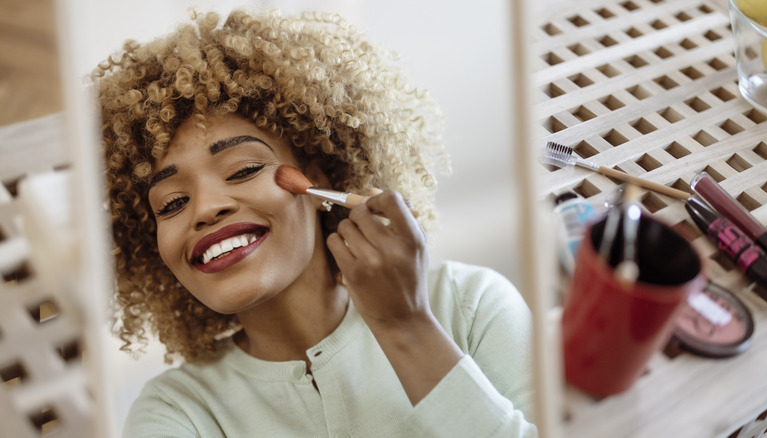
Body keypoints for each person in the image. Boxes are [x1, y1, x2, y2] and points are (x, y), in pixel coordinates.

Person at [93, 8, 536, 437]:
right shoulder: (177, 412)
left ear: (320, 179)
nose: (206, 209)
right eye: (171, 203)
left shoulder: (469, 306)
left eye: (244, 169)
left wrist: (407, 326)